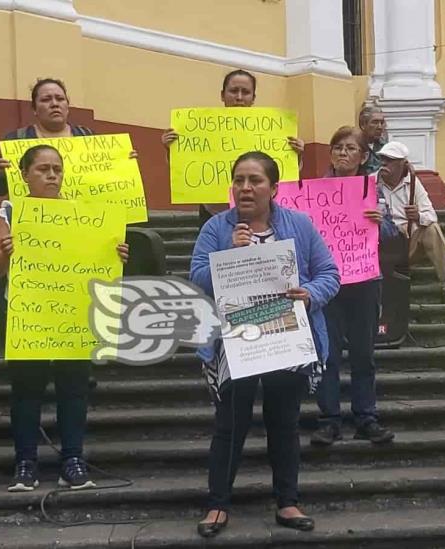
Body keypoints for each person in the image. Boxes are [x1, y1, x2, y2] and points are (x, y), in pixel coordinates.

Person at [190, 151, 340, 537]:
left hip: (285, 338)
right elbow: (197, 279)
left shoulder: (300, 225)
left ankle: (287, 501)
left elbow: (329, 274)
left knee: (284, 423)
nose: (245, 188)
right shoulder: (216, 229)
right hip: (235, 340)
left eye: (254, 180)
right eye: (239, 180)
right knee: (230, 425)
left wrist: (308, 293)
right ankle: (218, 505)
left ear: (273, 188)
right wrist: (231, 255)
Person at [0, 144, 129, 492]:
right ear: (25, 175)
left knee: (74, 390)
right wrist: (4, 255)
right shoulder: (11, 214)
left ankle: (73, 460)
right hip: (30, 320)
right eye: (43, 169)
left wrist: (116, 254)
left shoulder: (84, 214)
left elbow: (101, 268)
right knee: (26, 391)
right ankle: (25, 463)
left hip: (73, 318)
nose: (51, 175)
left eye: (57, 169)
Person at [310, 126, 395, 445]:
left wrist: (379, 223)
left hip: (364, 280)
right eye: (338, 147)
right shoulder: (313, 190)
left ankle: (366, 417)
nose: (343, 153)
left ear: (364, 156)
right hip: (326, 284)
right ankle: (329, 419)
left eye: (351, 148)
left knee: (363, 354)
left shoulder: (375, 191)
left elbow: (390, 234)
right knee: (327, 353)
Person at [161, 69, 305, 226]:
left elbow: (282, 173)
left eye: (246, 92)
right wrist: (171, 148)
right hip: (214, 212)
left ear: (253, 98)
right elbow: (185, 169)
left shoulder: (273, 130)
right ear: (222, 95)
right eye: (234, 91)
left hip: (257, 213)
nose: (239, 97)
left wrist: (296, 154)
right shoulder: (201, 127)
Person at [376, 141, 445, 300]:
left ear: (402, 164)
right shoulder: (372, 181)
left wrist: (418, 216)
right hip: (381, 244)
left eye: (390, 160)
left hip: (407, 241)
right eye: (382, 158)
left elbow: (431, 215)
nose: (384, 163)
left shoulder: (413, 183)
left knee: (431, 228)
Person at [358, 104, 388, 175]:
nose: (380, 127)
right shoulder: (354, 145)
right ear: (363, 125)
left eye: (382, 122)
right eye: (375, 122)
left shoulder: (385, 147)